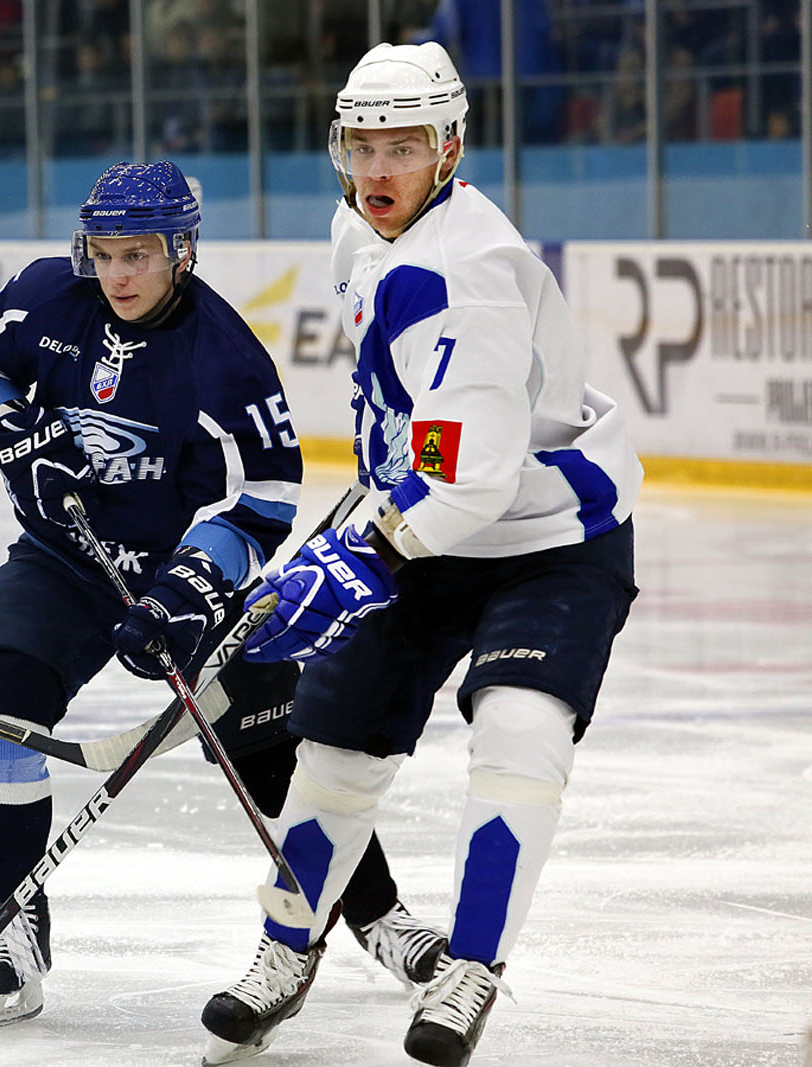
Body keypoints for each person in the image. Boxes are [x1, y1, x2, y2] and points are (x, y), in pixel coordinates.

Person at [200, 42, 642, 1067]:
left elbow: (476, 479)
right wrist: (370, 524)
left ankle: (471, 962)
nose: (379, 168)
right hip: (421, 523)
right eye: (362, 145)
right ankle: (284, 946)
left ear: (449, 148)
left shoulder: (470, 272)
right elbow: (415, 431)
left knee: (520, 729)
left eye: (403, 146)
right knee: (334, 751)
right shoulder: (360, 226)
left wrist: (364, 553)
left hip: (548, 539)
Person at [0, 158, 312, 1028]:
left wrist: (190, 584)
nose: (117, 273)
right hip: (65, 560)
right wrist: (12, 436)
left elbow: (267, 497)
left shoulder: (227, 355)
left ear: (182, 249)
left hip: (179, 575)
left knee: (272, 743)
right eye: (102, 252)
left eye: (138, 253)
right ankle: (12, 923)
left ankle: (369, 913)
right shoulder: (44, 296)